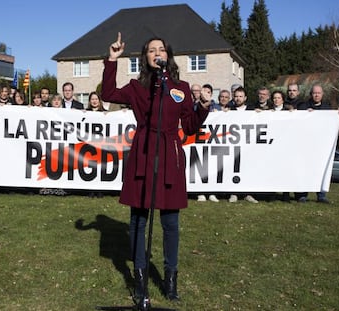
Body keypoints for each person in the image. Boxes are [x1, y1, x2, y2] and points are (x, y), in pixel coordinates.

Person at [101, 32, 210, 306]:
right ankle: (140, 281)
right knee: (138, 221)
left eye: (161, 49)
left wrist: (204, 108)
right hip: (144, 154)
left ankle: (170, 280)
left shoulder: (181, 88)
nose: (157, 53)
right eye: (152, 50)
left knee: (170, 222)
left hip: (170, 156)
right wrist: (112, 60)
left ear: (167, 56)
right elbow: (108, 94)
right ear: (146, 57)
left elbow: (191, 126)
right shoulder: (137, 88)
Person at [296, 83, 339, 204]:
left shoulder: (327, 108)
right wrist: (305, 113)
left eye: (318, 93)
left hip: (321, 147)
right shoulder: (304, 106)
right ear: (311, 94)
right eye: (314, 93)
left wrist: (338, 116)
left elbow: (332, 125)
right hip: (305, 145)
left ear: (322, 94)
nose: (316, 95)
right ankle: (302, 195)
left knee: (321, 169)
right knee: (305, 170)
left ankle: (321, 195)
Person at [228, 86, 259, 204]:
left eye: (240, 96)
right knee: (233, 168)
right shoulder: (229, 110)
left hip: (248, 145)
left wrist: (260, 114)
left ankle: (248, 193)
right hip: (234, 144)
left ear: (245, 97)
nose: (238, 98)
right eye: (236, 96)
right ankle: (233, 193)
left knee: (248, 168)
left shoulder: (252, 109)